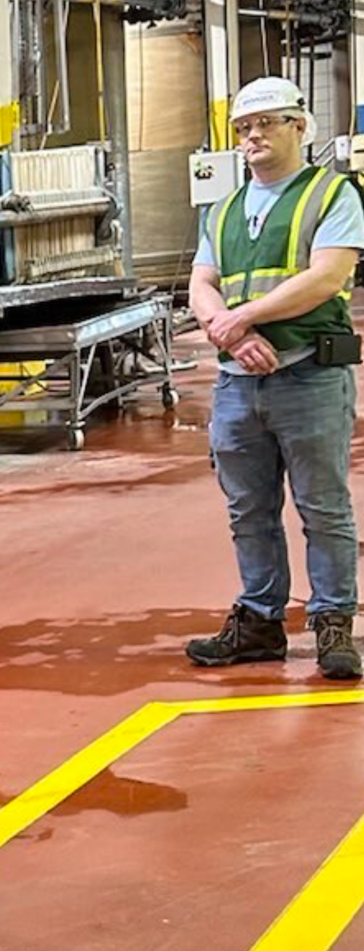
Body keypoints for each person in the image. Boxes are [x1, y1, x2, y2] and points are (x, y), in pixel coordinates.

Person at [187, 76, 364, 681]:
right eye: (243, 127)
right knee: (249, 511)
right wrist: (230, 331)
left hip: (309, 376)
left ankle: (334, 621)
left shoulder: (330, 194)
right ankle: (260, 621)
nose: (253, 136)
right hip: (239, 383)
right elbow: (200, 285)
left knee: (323, 507)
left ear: (298, 126)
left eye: (267, 123)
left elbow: (325, 278)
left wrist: (246, 317)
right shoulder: (225, 207)